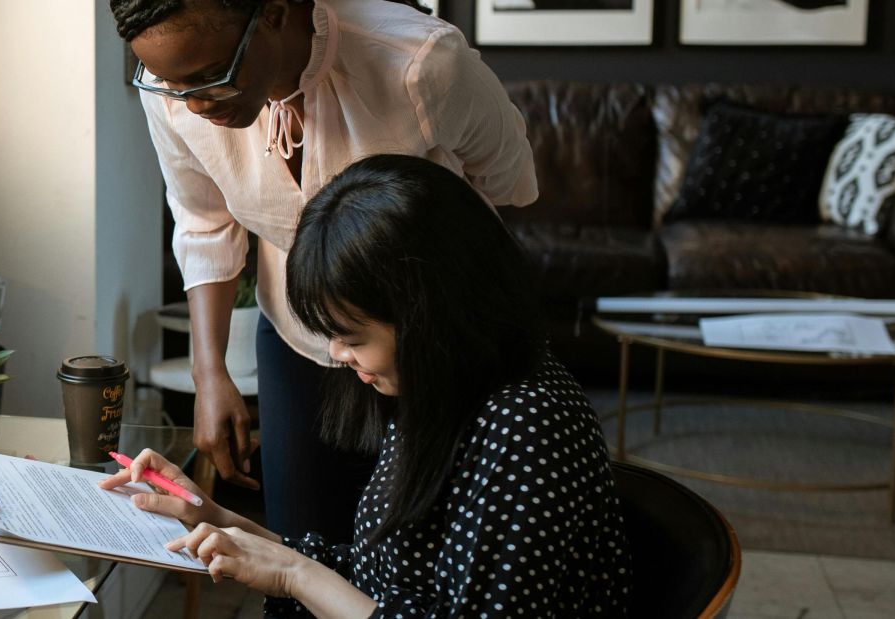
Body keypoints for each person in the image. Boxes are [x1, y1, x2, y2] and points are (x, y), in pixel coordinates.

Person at [102, 155, 628, 617]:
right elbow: (380, 578)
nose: (335, 353)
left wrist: (292, 574)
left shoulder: (525, 428)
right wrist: (211, 516)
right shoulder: (440, 390)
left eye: (351, 336)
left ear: (431, 317)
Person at [117, 0, 540, 545]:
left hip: (436, 347)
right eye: (172, 84)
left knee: (426, 552)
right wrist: (209, 374)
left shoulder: (422, 63)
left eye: (210, 77)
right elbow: (204, 224)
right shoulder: (175, 85)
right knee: (305, 541)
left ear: (272, 13)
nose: (194, 104)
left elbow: (511, 181)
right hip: (297, 336)